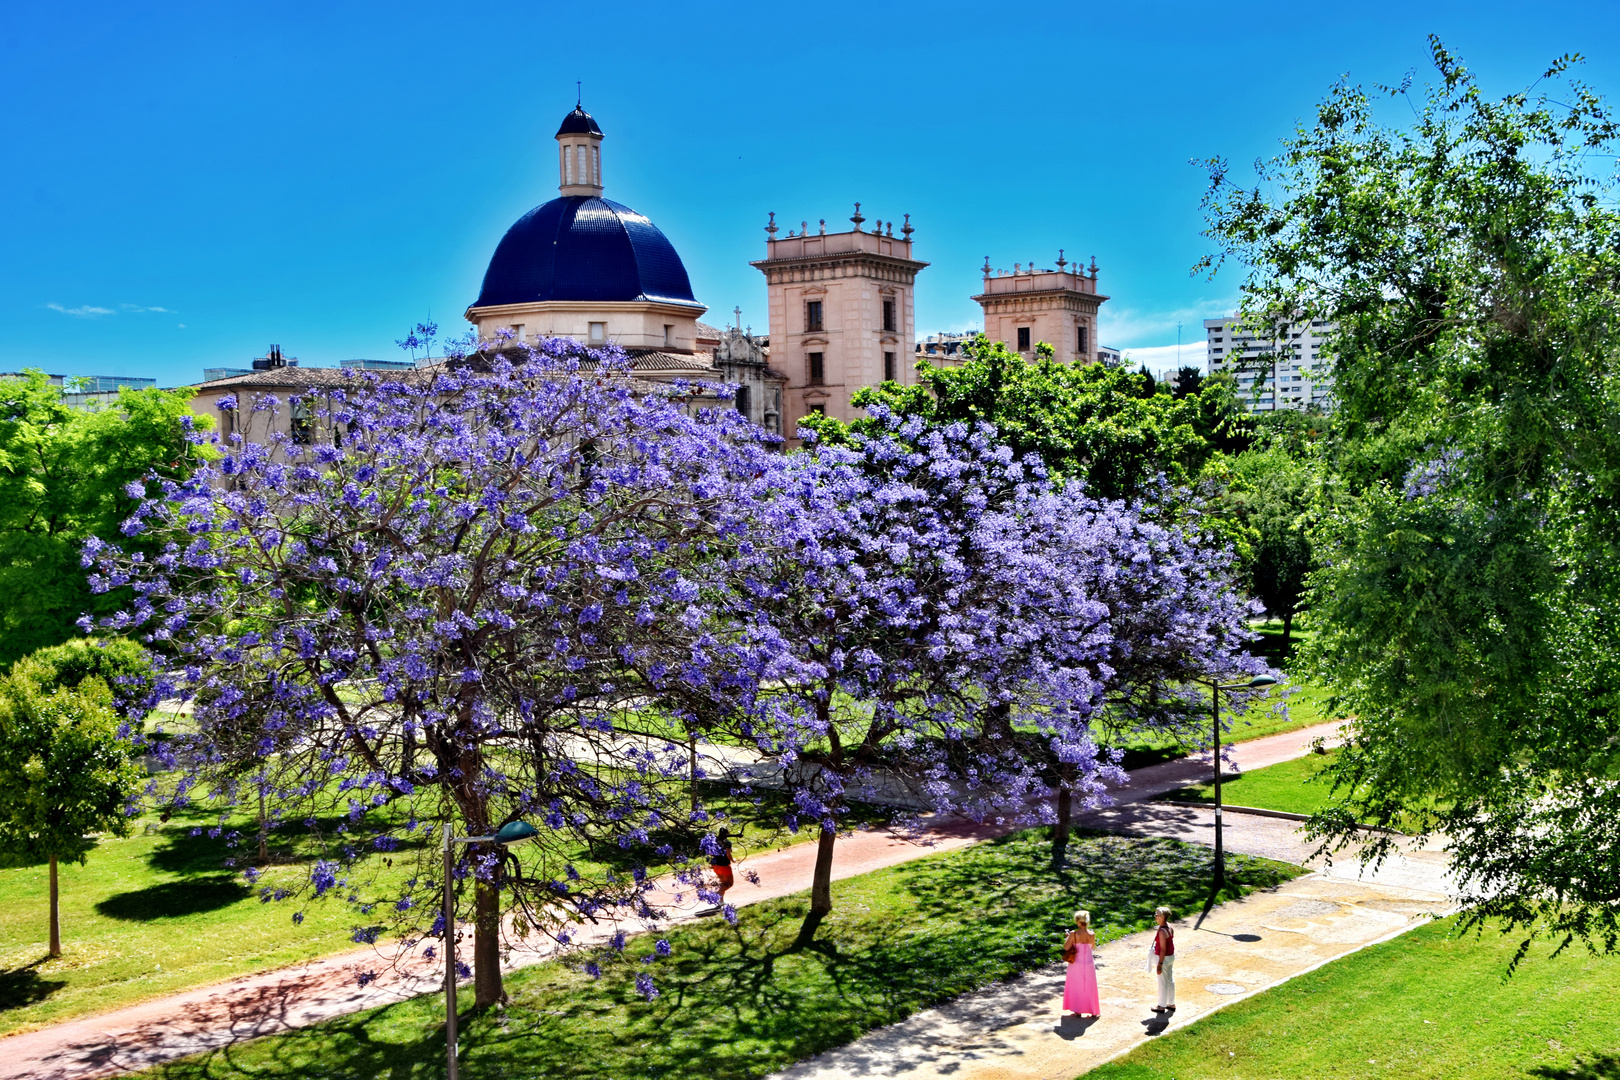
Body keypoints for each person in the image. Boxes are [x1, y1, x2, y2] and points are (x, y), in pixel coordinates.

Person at [1062, 909, 1101, 1017]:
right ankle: (1092, 1009)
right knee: (1089, 985)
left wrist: (1068, 937)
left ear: (1078, 921)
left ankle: (1077, 1009)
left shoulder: (1074, 934)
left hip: (1076, 963)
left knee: (1076, 984)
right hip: (1088, 962)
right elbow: (1092, 947)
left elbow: (1066, 947)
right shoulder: (1092, 934)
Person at [1150, 905, 1176, 1012]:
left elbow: (1163, 950)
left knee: (1162, 982)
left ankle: (1161, 1006)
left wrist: (1159, 964)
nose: (1155, 916)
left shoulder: (1162, 931)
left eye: (1158, 914)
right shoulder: (1169, 926)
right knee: (1170, 980)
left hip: (1163, 958)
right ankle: (1171, 1003)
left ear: (1163, 917)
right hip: (1171, 957)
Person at [709, 826, 743, 904]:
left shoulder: (715, 841)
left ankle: (721, 901)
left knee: (723, 883)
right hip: (724, 865)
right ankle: (717, 894)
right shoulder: (727, 843)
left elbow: (710, 853)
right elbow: (728, 854)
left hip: (715, 866)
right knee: (729, 884)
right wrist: (732, 860)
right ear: (727, 833)